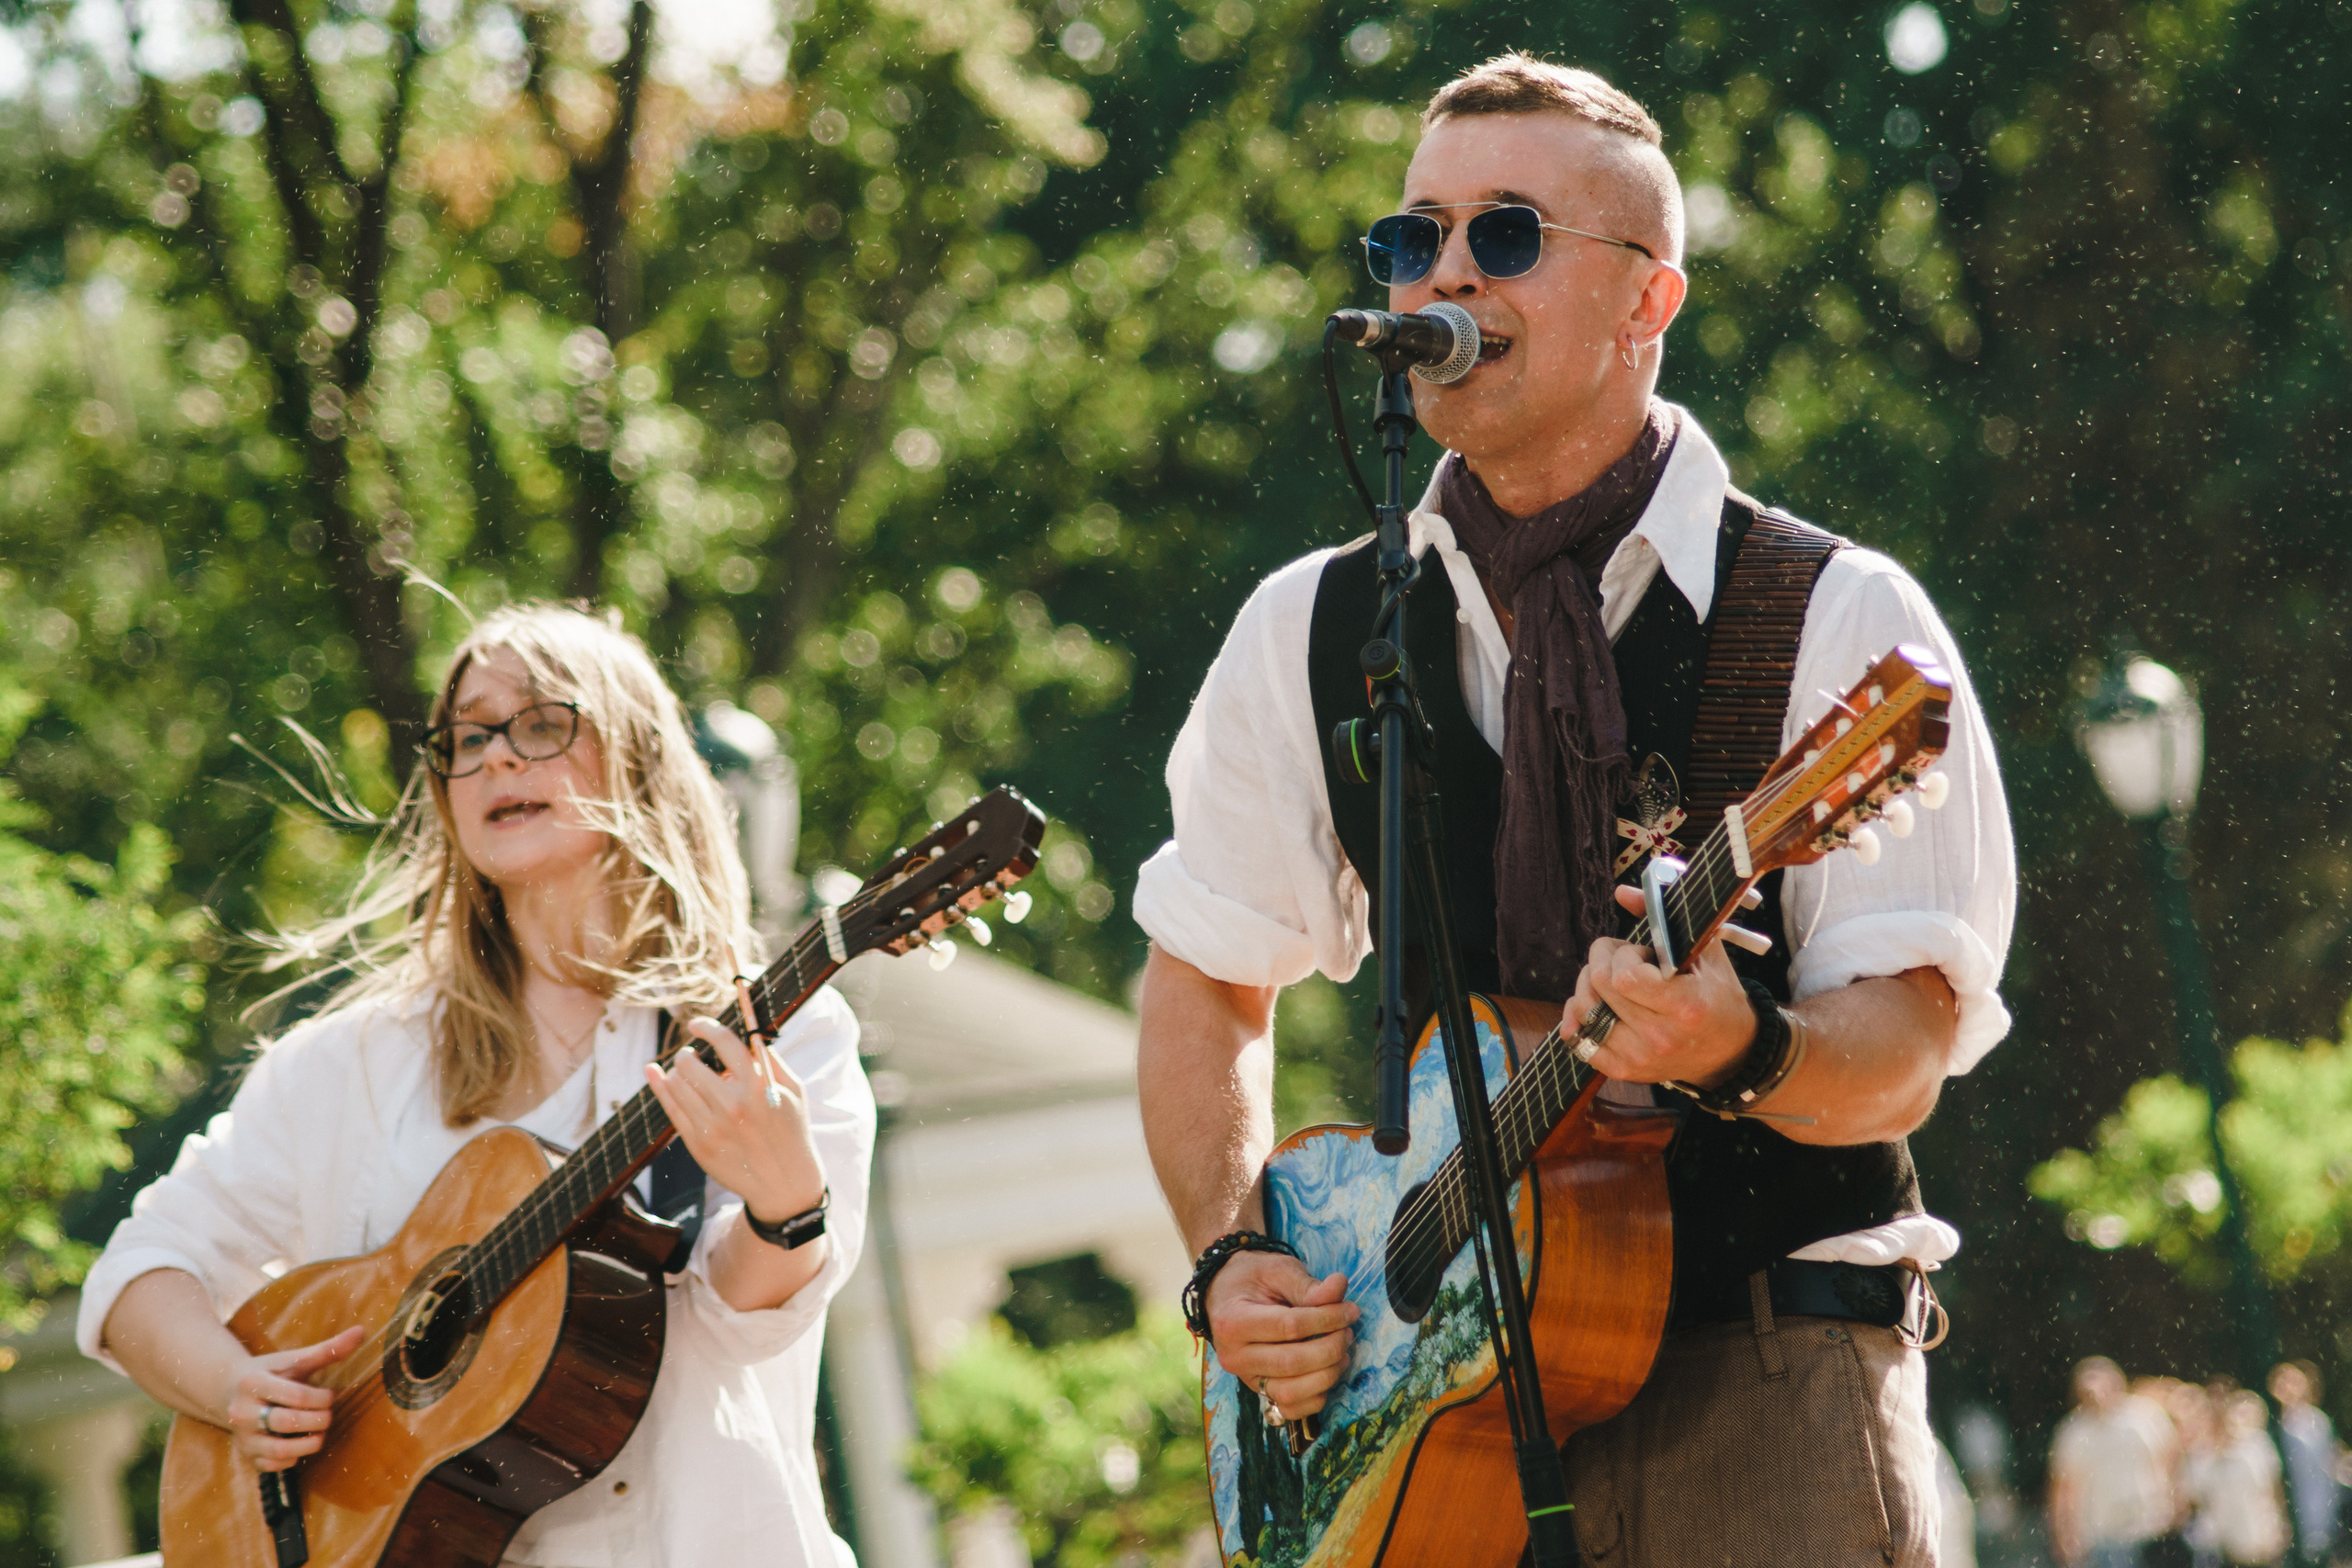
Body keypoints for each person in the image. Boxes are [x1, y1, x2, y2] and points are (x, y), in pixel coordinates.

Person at [1132, 51, 2013, 1568]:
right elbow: (1205, 984)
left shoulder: (1829, 614)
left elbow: (1910, 1043)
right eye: (1417, 238)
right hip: (1423, 1426)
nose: (1447, 273)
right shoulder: (1317, 628)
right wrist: (1228, 1258)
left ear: (1647, 302)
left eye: (1510, 235)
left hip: (1767, 1369)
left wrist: (1749, 1044)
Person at [77, 604, 874, 1566]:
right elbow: (143, 1270)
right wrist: (234, 1390)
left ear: (639, 760)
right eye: (467, 737)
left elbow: (745, 1326)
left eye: (542, 724)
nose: (497, 757)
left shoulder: (770, 1032)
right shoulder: (351, 1063)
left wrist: (786, 1207)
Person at [2049, 1358, 2178, 1568]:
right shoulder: (2073, 1433)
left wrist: (2173, 1501)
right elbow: (2064, 1489)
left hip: (2151, 1525)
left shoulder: (2146, 1416)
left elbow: (2171, 1458)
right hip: (2103, 1533)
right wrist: (2065, 1536)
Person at [2272, 1361, 2342, 1564]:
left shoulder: (2316, 1423)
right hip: (2288, 1519)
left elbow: (2325, 1470)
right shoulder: (2275, 1426)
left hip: (2313, 1515)